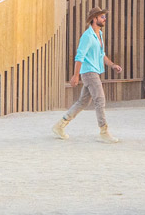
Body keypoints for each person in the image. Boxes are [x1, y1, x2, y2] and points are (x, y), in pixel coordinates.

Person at [53, 9, 123, 142]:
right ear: (94, 18)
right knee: (100, 99)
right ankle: (104, 131)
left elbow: (102, 55)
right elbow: (79, 57)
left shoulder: (99, 34)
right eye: (102, 17)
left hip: (94, 71)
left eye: (104, 16)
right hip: (89, 72)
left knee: (83, 102)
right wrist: (75, 76)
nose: (104, 19)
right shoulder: (87, 36)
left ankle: (60, 125)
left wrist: (112, 65)